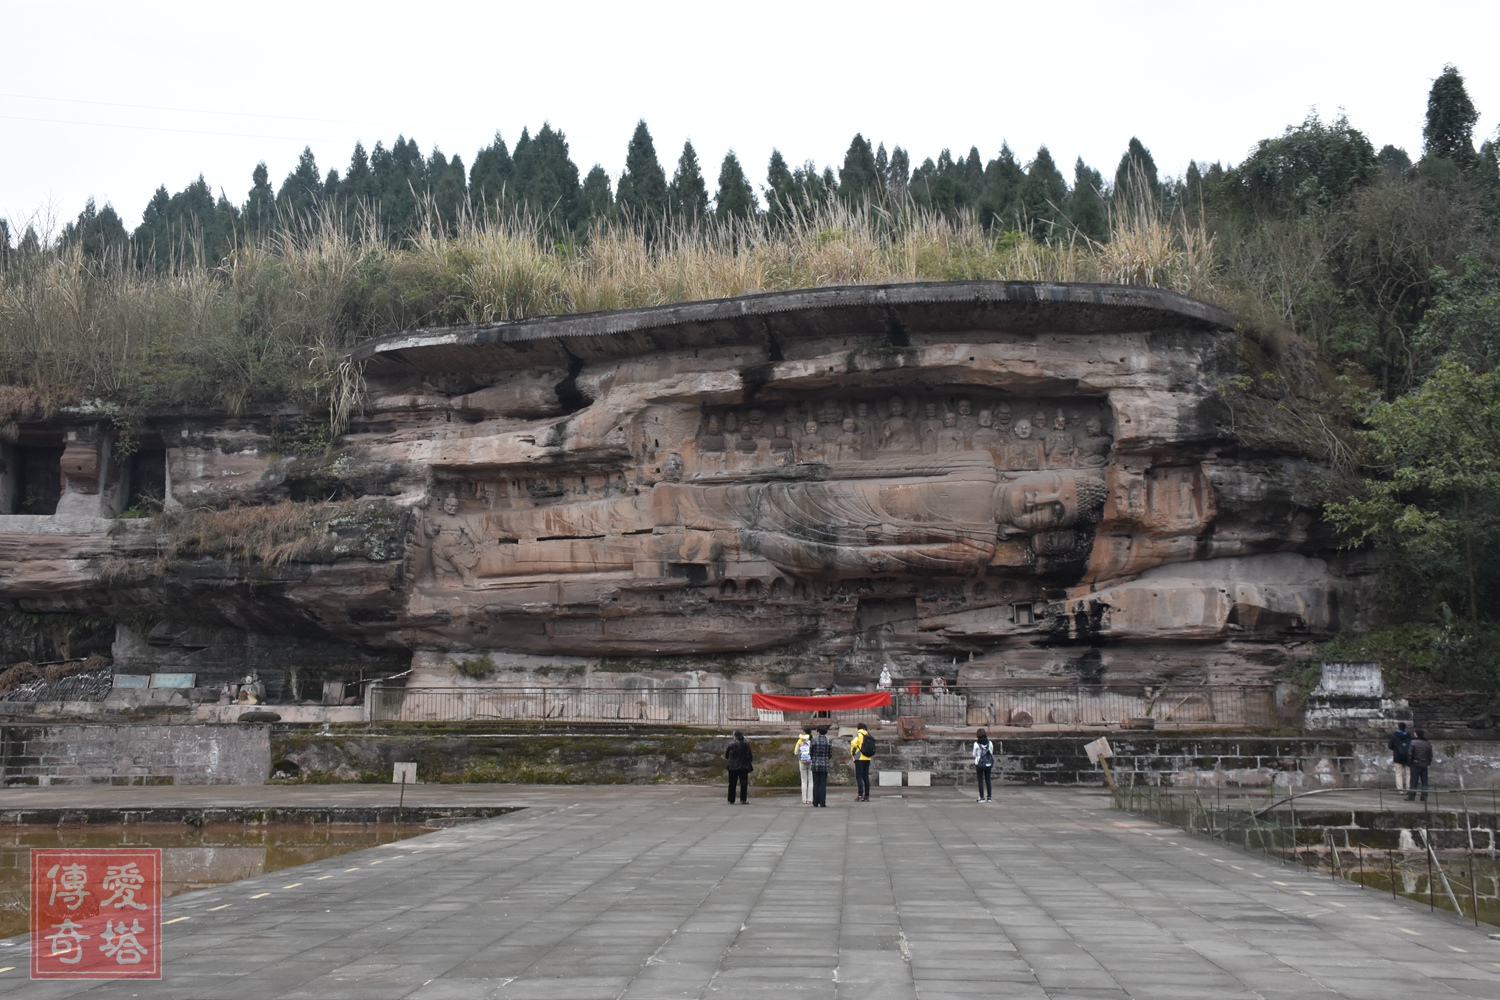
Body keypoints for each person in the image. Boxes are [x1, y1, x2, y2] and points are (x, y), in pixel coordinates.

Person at [724, 730, 753, 804]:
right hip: (743, 767)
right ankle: (743, 799)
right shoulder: (746, 745)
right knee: (743, 783)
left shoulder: (731, 745)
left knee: (732, 783)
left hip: (732, 767)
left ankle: (731, 799)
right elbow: (749, 756)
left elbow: (726, 755)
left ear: (735, 737)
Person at [809, 726, 832, 807]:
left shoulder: (814, 740)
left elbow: (811, 752)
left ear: (818, 732)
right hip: (825, 763)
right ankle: (822, 802)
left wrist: (813, 758)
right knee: (822, 784)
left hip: (815, 763)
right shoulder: (828, 741)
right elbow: (830, 754)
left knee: (816, 784)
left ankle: (815, 802)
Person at [1407, 729, 1433, 802]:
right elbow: (1430, 755)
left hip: (1415, 763)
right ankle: (1424, 795)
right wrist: (1428, 763)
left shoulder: (1413, 742)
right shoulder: (1427, 743)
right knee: (1424, 781)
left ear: (1417, 734)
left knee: (1414, 781)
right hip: (1424, 764)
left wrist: (1409, 763)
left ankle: (1412, 796)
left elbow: (1410, 754)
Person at [850, 723, 873, 802]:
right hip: (868, 757)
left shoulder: (858, 734)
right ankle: (867, 795)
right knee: (865, 776)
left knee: (859, 777)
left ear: (858, 728)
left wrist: (853, 753)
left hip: (859, 757)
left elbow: (853, 743)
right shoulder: (868, 734)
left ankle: (860, 795)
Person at [1388, 722, 1413, 793]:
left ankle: (1400, 789)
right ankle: (1409, 788)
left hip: (1398, 756)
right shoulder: (1409, 736)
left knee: (1399, 773)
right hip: (1408, 756)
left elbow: (1390, 746)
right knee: (1409, 773)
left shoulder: (1394, 736)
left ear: (1399, 727)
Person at [972, 728, 995, 802]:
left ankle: (981, 797)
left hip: (979, 763)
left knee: (980, 780)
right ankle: (989, 797)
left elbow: (974, 754)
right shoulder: (990, 743)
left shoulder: (976, 744)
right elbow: (991, 752)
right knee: (988, 779)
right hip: (988, 763)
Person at [794, 726, 813, 804]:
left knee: (804, 781)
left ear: (804, 732)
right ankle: (810, 799)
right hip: (811, 762)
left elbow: (795, 752)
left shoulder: (799, 741)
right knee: (811, 781)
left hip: (802, 762)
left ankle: (804, 799)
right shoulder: (812, 740)